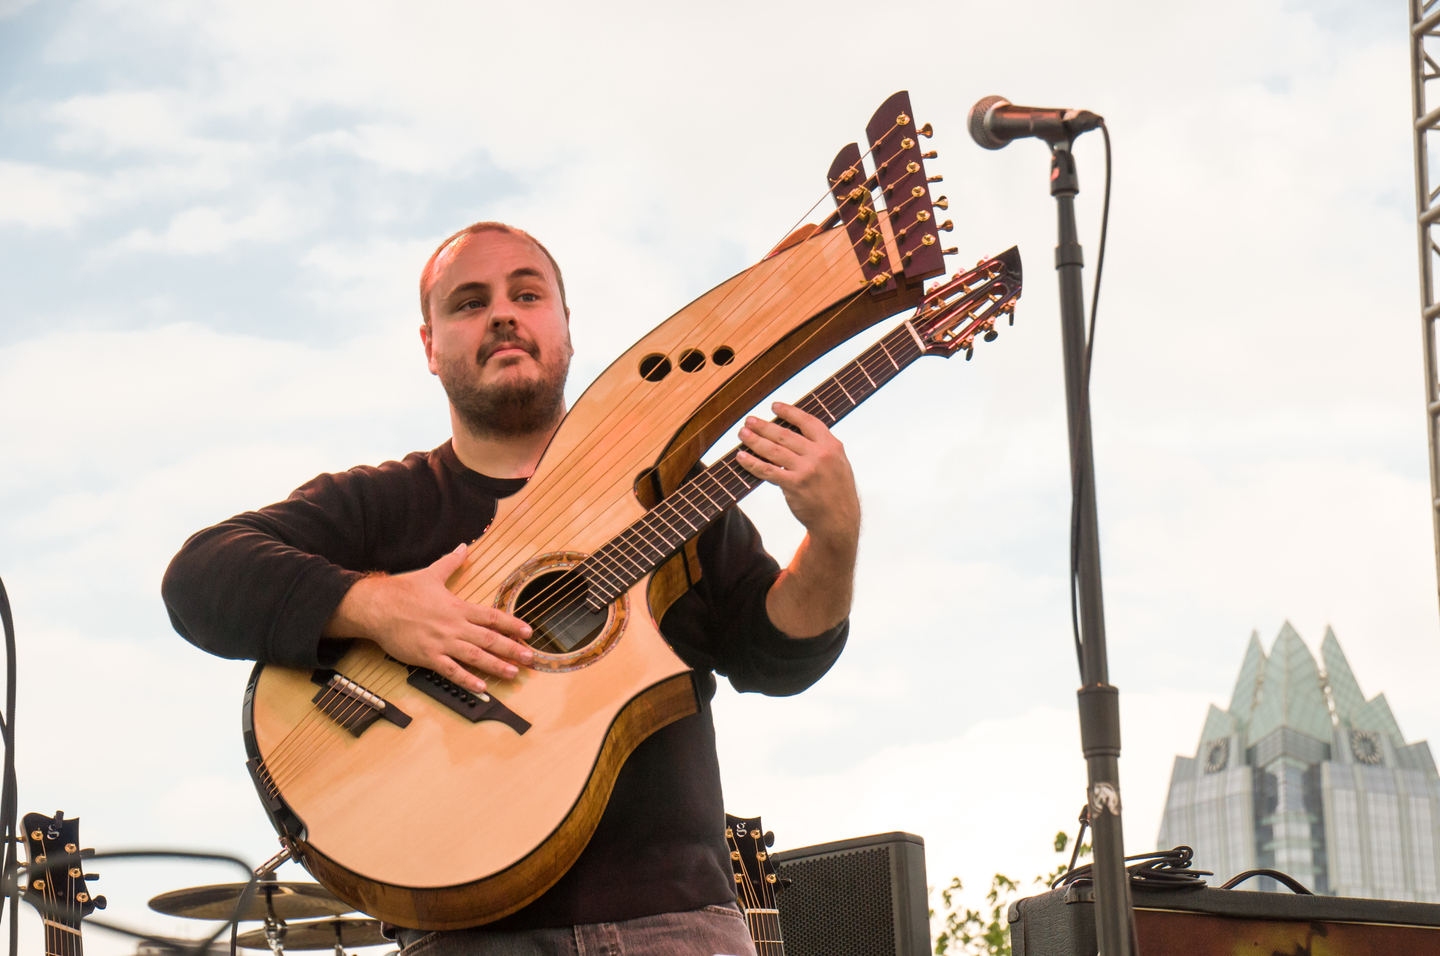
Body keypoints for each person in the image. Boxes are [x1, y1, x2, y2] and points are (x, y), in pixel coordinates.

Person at [162, 221, 862, 956]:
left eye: (527, 295)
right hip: (463, 937)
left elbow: (778, 658)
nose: (502, 314)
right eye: (469, 303)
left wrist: (834, 537)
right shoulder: (385, 505)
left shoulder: (667, 490)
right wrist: (380, 607)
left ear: (565, 326)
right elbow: (200, 576)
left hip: (678, 923)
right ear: (430, 346)